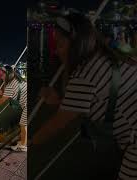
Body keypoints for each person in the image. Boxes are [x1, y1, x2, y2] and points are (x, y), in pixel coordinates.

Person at [31, 13, 137, 180]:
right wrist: (59, 101)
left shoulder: (82, 76)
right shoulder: (110, 54)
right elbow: (81, 105)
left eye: (59, 44)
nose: (55, 51)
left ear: (76, 44)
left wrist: (26, 143)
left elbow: (56, 125)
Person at [0, 65, 27, 152]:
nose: (1, 76)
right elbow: (12, 92)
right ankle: (23, 142)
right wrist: (3, 93)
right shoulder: (17, 79)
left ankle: (23, 146)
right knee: (23, 124)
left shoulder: (9, 85)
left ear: (7, 74)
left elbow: (3, 100)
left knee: (23, 125)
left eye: (2, 74)